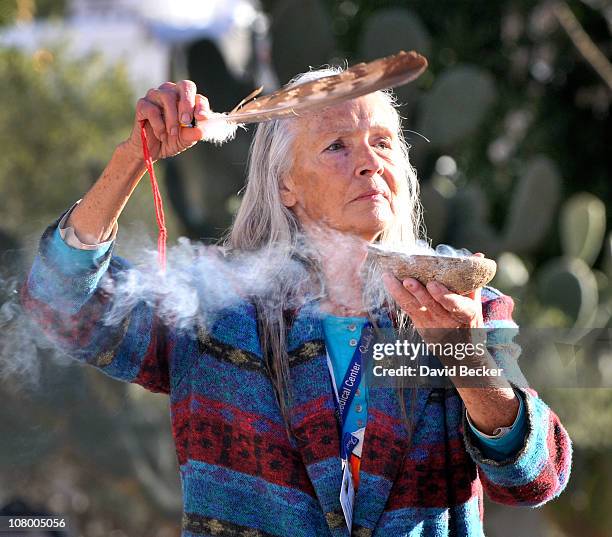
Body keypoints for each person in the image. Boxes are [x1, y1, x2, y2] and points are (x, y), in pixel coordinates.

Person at [21, 68, 572, 537]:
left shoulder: (460, 303)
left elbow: (536, 476)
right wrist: (132, 160)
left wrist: (463, 360)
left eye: (382, 142)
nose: (369, 163)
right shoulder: (219, 312)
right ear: (285, 184)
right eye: (337, 146)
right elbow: (60, 301)